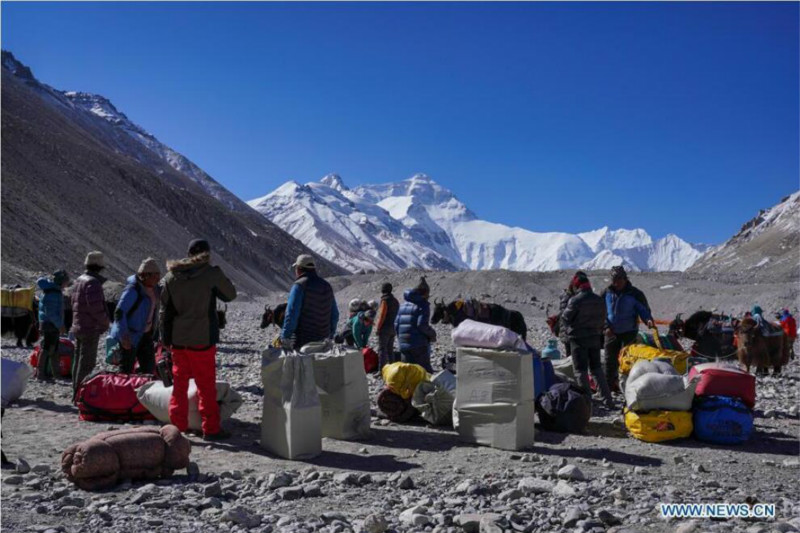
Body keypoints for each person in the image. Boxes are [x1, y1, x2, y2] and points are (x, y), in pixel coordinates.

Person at [161, 239, 237, 440]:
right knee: (206, 386)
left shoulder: (171, 276)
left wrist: (165, 339)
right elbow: (230, 295)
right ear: (207, 254)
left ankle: (177, 429)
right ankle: (210, 429)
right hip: (202, 339)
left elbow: (165, 311)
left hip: (178, 340)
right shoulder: (211, 274)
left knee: (179, 386)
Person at [561, 271, 613, 409]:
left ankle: (586, 403)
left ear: (577, 286)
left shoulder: (575, 300)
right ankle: (608, 400)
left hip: (578, 339)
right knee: (596, 369)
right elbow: (604, 318)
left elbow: (566, 318)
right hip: (595, 337)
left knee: (580, 371)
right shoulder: (598, 299)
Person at [600, 266, 654, 393]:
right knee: (609, 361)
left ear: (625, 279)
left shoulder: (635, 294)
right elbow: (599, 311)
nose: (616, 283)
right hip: (610, 333)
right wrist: (605, 326)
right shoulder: (606, 293)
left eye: (619, 279)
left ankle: (628, 388)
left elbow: (643, 310)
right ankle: (608, 389)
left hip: (629, 332)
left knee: (628, 361)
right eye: (614, 280)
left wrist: (648, 320)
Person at [111, 258, 161, 374]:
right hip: (130, 336)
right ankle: (124, 391)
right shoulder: (133, 290)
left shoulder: (155, 290)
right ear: (146, 275)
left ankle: (140, 390)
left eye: (158, 275)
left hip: (146, 335)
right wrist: (124, 335)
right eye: (155, 275)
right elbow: (119, 312)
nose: (158, 278)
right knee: (126, 370)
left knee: (148, 369)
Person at [71, 252, 110, 398]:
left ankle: (75, 391)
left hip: (78, 325)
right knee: (87, 363)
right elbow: (95, 308)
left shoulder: (79, 280)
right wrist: (106, 321)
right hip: (89, 328)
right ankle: (82, 395)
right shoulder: (93, 282)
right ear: (100, 267)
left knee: (78, 362)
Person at [280, 254, 339, 351]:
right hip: (323, 340)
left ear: (299, 269)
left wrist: (285, 337)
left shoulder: (299, 285)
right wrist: (330, 334)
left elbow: (291, 314)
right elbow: (335, 314)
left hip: (302, 341)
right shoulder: (327, 286)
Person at [395, 276, 436, 373]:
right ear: (425, 293)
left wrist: (401, 339)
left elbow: (396, 324)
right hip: (418, 345)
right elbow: (422, 325)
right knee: (425, 373)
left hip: (403, 345)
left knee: (409, 374)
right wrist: (432, 334)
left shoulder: (403, 305)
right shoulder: (423, 305)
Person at [36, 270, 69, 381]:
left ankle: (55, 374)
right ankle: (41, 374)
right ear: (60, 282)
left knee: (53, 348)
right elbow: (50, 313)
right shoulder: (53, 293)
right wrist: (60, 325)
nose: (66, 284)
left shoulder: (52, 291)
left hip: (48, 323)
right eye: (65, 282)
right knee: (47, 348)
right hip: (50, 324)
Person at [376, 282, 400, 370]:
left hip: (384, 328)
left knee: (382, 349)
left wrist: (378, 328)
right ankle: (393, 369)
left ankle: (381, 370)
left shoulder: (385, 300)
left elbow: (382, 315)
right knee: (390, 350)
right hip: (392, 328)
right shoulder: (396, 301)